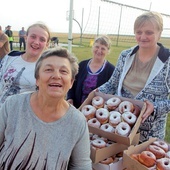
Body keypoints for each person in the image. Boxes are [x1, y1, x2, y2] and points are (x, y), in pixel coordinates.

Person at [0, 47, 92, 170]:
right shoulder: (12, 105)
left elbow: (82, 166)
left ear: (71, 82)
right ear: (37, 79)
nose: (56, 75)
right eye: (48, 69)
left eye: (63, 71)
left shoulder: (78, 122)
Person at [93, 11, 170, 143]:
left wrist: (155, 107)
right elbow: (112, 83)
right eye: (138, 32)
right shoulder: (125, 55)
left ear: (159, 33)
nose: (143, 36)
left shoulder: (167, 61)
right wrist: (96, 92)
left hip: (149, 133)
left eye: (149, 32)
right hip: (120, 126)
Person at [0, 22, 51, 108]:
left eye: (42, 39)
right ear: (26, 38)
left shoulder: (47, 68)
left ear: (47, 44)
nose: (36, 42)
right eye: (33, 37)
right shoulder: (10, 57)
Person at [67, 35, 115, 108]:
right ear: (93, 47)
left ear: (108, 51)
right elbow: (72, 83)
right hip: (77, 107)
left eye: (103, 48)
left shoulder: (111, 70)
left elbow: (112, 92)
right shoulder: (82, 65)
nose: (99, 51)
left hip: (98, 112)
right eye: (97, 47)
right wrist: (70, 98)